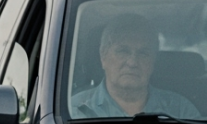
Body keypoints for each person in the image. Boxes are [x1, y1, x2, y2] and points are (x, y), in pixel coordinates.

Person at [71, 14, 199, 118]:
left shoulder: (180, 111)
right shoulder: (75, 110)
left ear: (153, 62)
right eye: (123, 51)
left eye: (143, 53)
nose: (132, 63)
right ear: (103, 56)